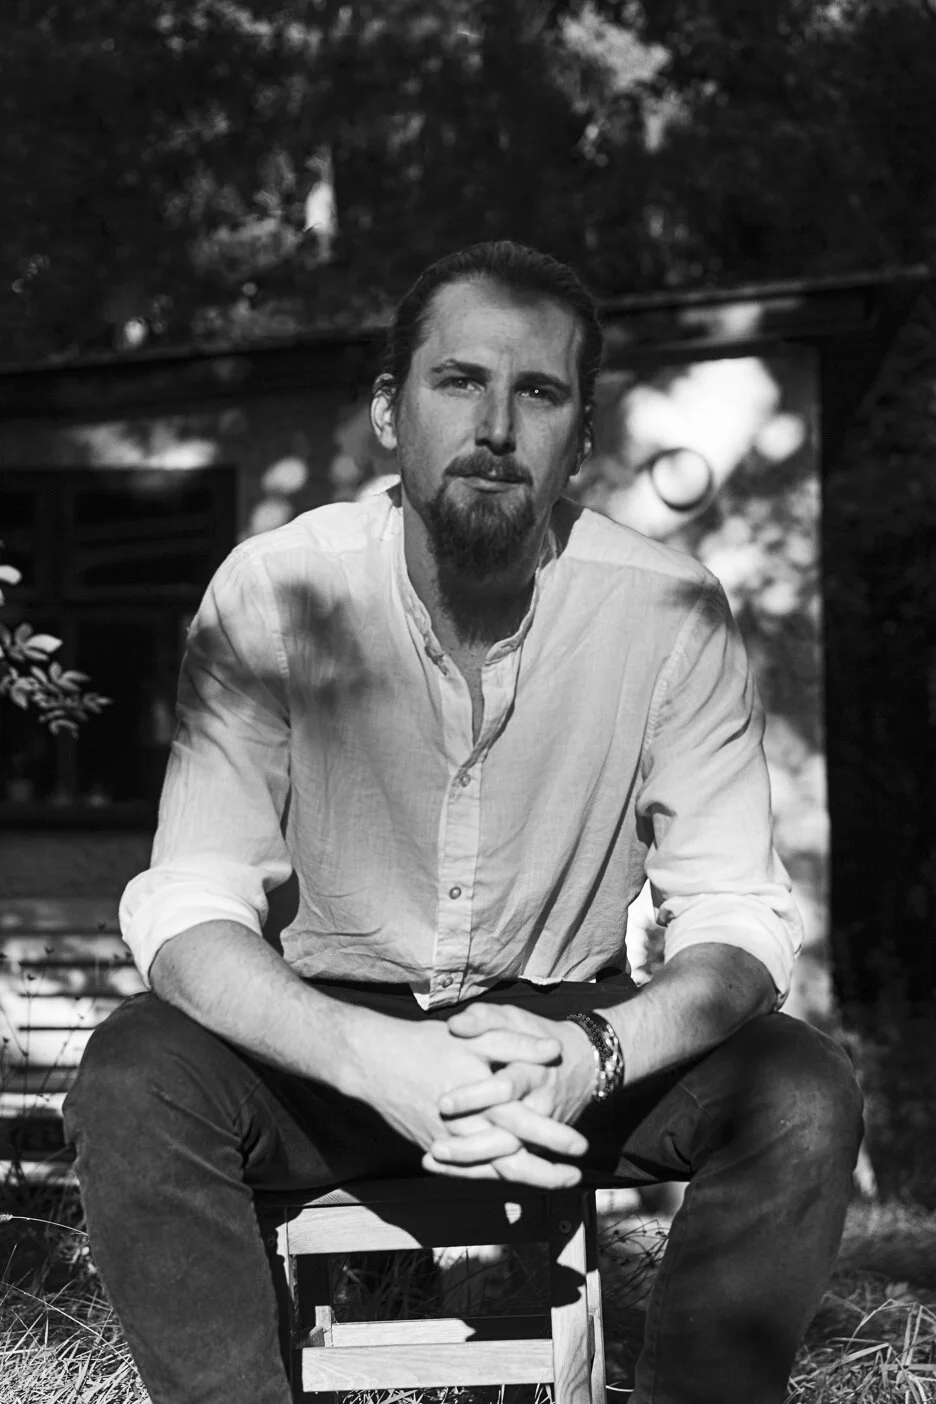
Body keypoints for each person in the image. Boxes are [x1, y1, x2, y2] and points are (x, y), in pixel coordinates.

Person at [64, 241, 863, 1404]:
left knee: (801, 1091)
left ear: (580, 438)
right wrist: (370, 1056)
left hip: (563, 1039)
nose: (495, 424)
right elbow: (189, 905)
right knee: (135, 1073)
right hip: (327, 1038)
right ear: (391, 412)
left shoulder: (669, 609)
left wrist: (597, 1056)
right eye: (458, 382)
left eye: (537, 393)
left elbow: (738, 917)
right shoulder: (277, 588)